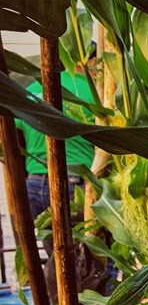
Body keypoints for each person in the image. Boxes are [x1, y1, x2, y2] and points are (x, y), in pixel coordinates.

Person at [15, 56, 96, 254]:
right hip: (74, 185)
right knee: (87, 260)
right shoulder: (89, 92)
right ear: (90, 61)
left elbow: (14, 136)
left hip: (34, 185)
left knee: (57, 258)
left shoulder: (32, 90)